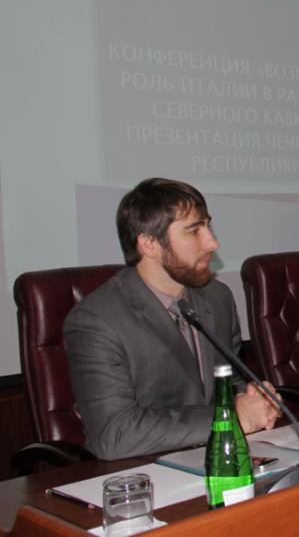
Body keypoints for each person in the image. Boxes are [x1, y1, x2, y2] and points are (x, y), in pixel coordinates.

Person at [65, 178, 278, 460]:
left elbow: (230, 380)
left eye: (208, 226)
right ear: (149, 244)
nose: (212, 242)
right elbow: (115, 435)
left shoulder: (218, 297)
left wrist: (254, 398)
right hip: (141, 472)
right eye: (194, 231)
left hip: (219, 458)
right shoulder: (97, 320)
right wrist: (231, 415)